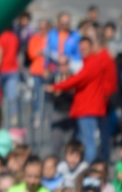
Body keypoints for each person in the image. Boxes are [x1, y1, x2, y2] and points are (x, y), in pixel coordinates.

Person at [50, 34, 117, 164]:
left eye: (85, 48)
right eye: (81, 49)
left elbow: (78, 79)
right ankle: (84, 164)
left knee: (88, 141)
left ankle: (89, 167)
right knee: (82, 139)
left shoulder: (93, 62)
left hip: (88, 108)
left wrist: (56, 86)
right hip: (87, 107)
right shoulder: (91, 62)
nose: (82, 51)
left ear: (92, 47)